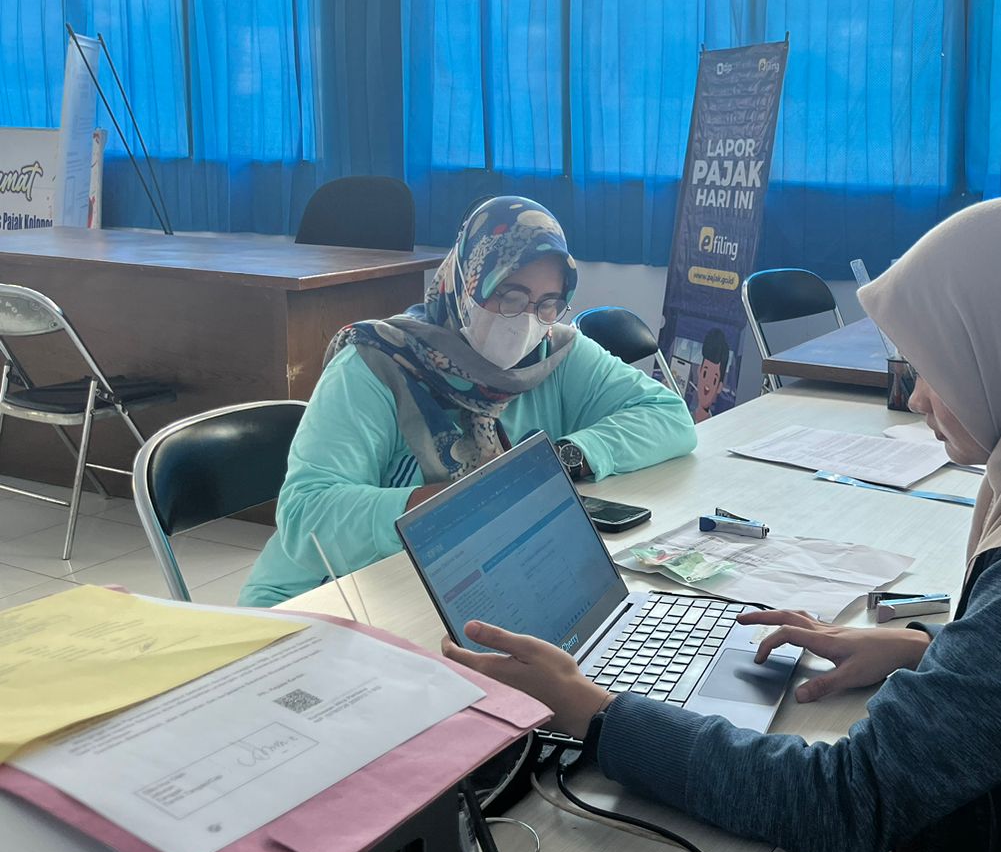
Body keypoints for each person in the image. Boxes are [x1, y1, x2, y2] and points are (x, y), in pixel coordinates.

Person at [443, 197, 1001, 852]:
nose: (915, 400)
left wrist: (596, 713)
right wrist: (928, 650)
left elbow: (844, 804)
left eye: (933, 369)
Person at [239, 196, 696, 607]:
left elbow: (669, 417)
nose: (526, 320)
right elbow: (306, 515)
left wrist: (558, 461)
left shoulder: (554, 353)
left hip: (461, 587)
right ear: (466, 282)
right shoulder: (376, 364)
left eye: (548, 303)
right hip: (326, 597)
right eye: (509, 295)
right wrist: (452, 506)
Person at [689, 327, 729, 424]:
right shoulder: (683, 416)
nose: (707, 384)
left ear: (719, 387)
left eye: (714, 380)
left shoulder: (717, 427)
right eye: (705, 373)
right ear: (699, 371)